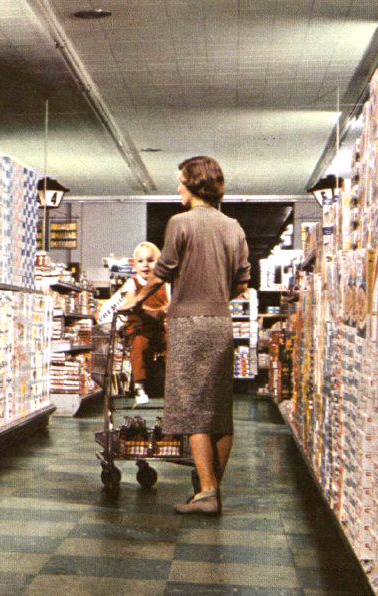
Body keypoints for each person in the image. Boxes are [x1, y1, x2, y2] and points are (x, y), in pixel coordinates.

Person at [119, 156, 250, 516]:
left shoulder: (180, 223)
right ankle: (212, 489)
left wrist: (134, 299)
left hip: (188, 324)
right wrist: (215, 293)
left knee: (191, 408)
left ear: (194, 185)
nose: (177, 187)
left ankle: (207, 492)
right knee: (219, 410)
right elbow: (242, 283)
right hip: (220, 324)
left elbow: (160, 273)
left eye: (180, 181)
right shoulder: (234, 227)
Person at [118, 242, 170, 405]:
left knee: (175, 346)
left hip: (161, 328)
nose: (145, 265)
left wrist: (167, 309)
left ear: (159, 264)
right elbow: (130, 300)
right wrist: (151, 309)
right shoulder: (132, 283)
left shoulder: (165, 284)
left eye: (150, 260)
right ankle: (139, 386)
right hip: (141, 328)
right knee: (139, 347)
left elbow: (172, 303)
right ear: (134, 264)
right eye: (140, 261)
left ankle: (174, 383)